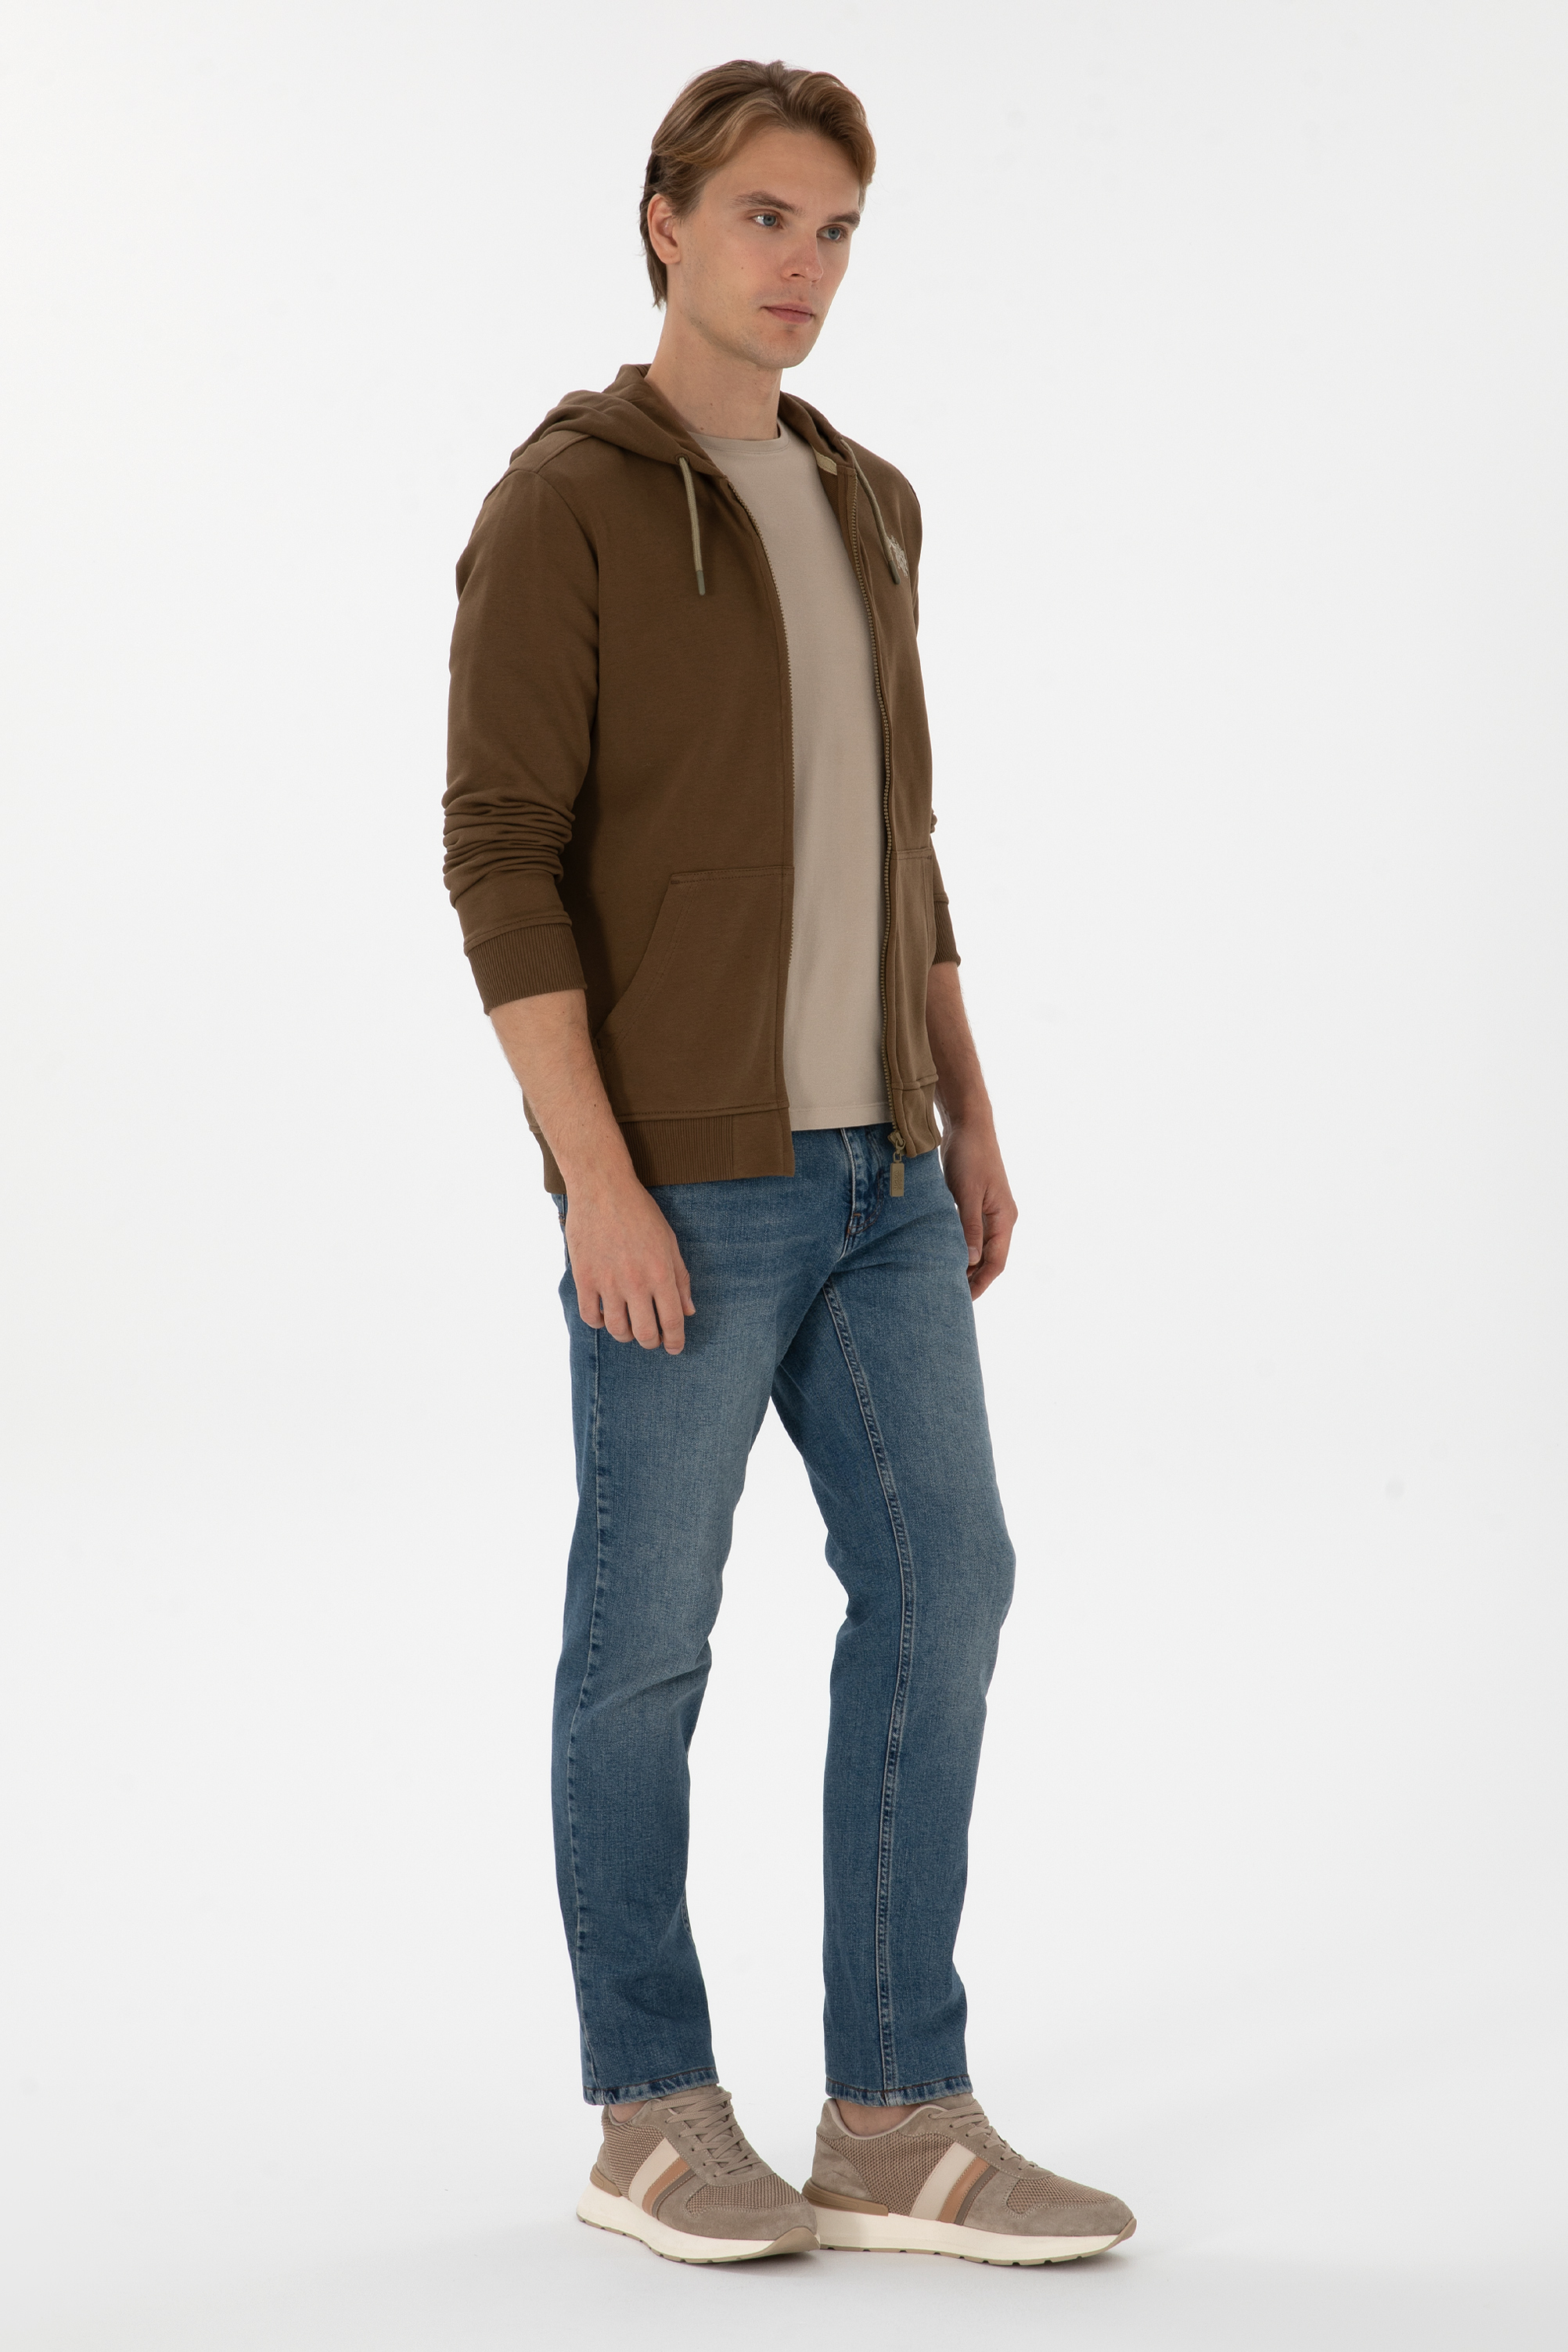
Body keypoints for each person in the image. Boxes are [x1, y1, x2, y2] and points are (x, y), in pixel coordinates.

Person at [443, 57, 1135, 2268]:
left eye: (835, 230)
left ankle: (893, 2114)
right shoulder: (565, 505)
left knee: (952, 1585)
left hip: (882, 1176)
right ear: (664, 220)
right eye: (764, 217)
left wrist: (966, 1100)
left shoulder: (870, 502)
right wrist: (595, 1177)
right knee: (644, 1641)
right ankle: (651, 2114)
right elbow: (500, 854)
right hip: (685, 1181)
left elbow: (901, 833)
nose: (804, 266)